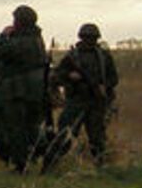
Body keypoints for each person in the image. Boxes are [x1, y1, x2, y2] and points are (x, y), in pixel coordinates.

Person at [44, 23, 118, 170]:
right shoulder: (72, 56)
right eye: (86, 38)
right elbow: (55, 77)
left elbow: (113, 78)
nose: (89, 41)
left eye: (92, 38)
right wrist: (70, 76)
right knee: (65, 135)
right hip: (76, 101)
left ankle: (101, 167)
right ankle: (49, 167)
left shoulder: (104, 56)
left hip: (96, 102)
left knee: (97, 138)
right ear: (81, 38)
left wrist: (105, 87)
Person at [0, 5, 50, 172]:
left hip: (18, 91)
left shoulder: (21, 41)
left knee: (16, 128)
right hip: (35, 91)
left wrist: (3, 35)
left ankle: (22, 163)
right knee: (32, 127)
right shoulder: (37, 39)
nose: (13, 22)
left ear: (20, 22)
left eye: (15, 19)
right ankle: (42, 152)